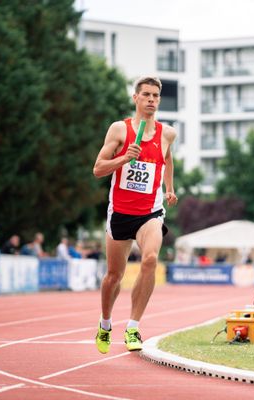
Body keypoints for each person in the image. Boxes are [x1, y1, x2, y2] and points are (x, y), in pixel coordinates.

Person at [92, 76, 178, 353]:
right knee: (113, 276)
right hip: (120, 212)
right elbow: (98, 169)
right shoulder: (120, 129)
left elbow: (167, 159)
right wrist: (124, 159)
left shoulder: (168, 134)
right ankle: (105, 324)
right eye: (146, 95)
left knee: (150, 259)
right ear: (136, 98)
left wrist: (169, 188)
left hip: (150, 212)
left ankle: (133, 327)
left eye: (156, 95)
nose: (151, 100)